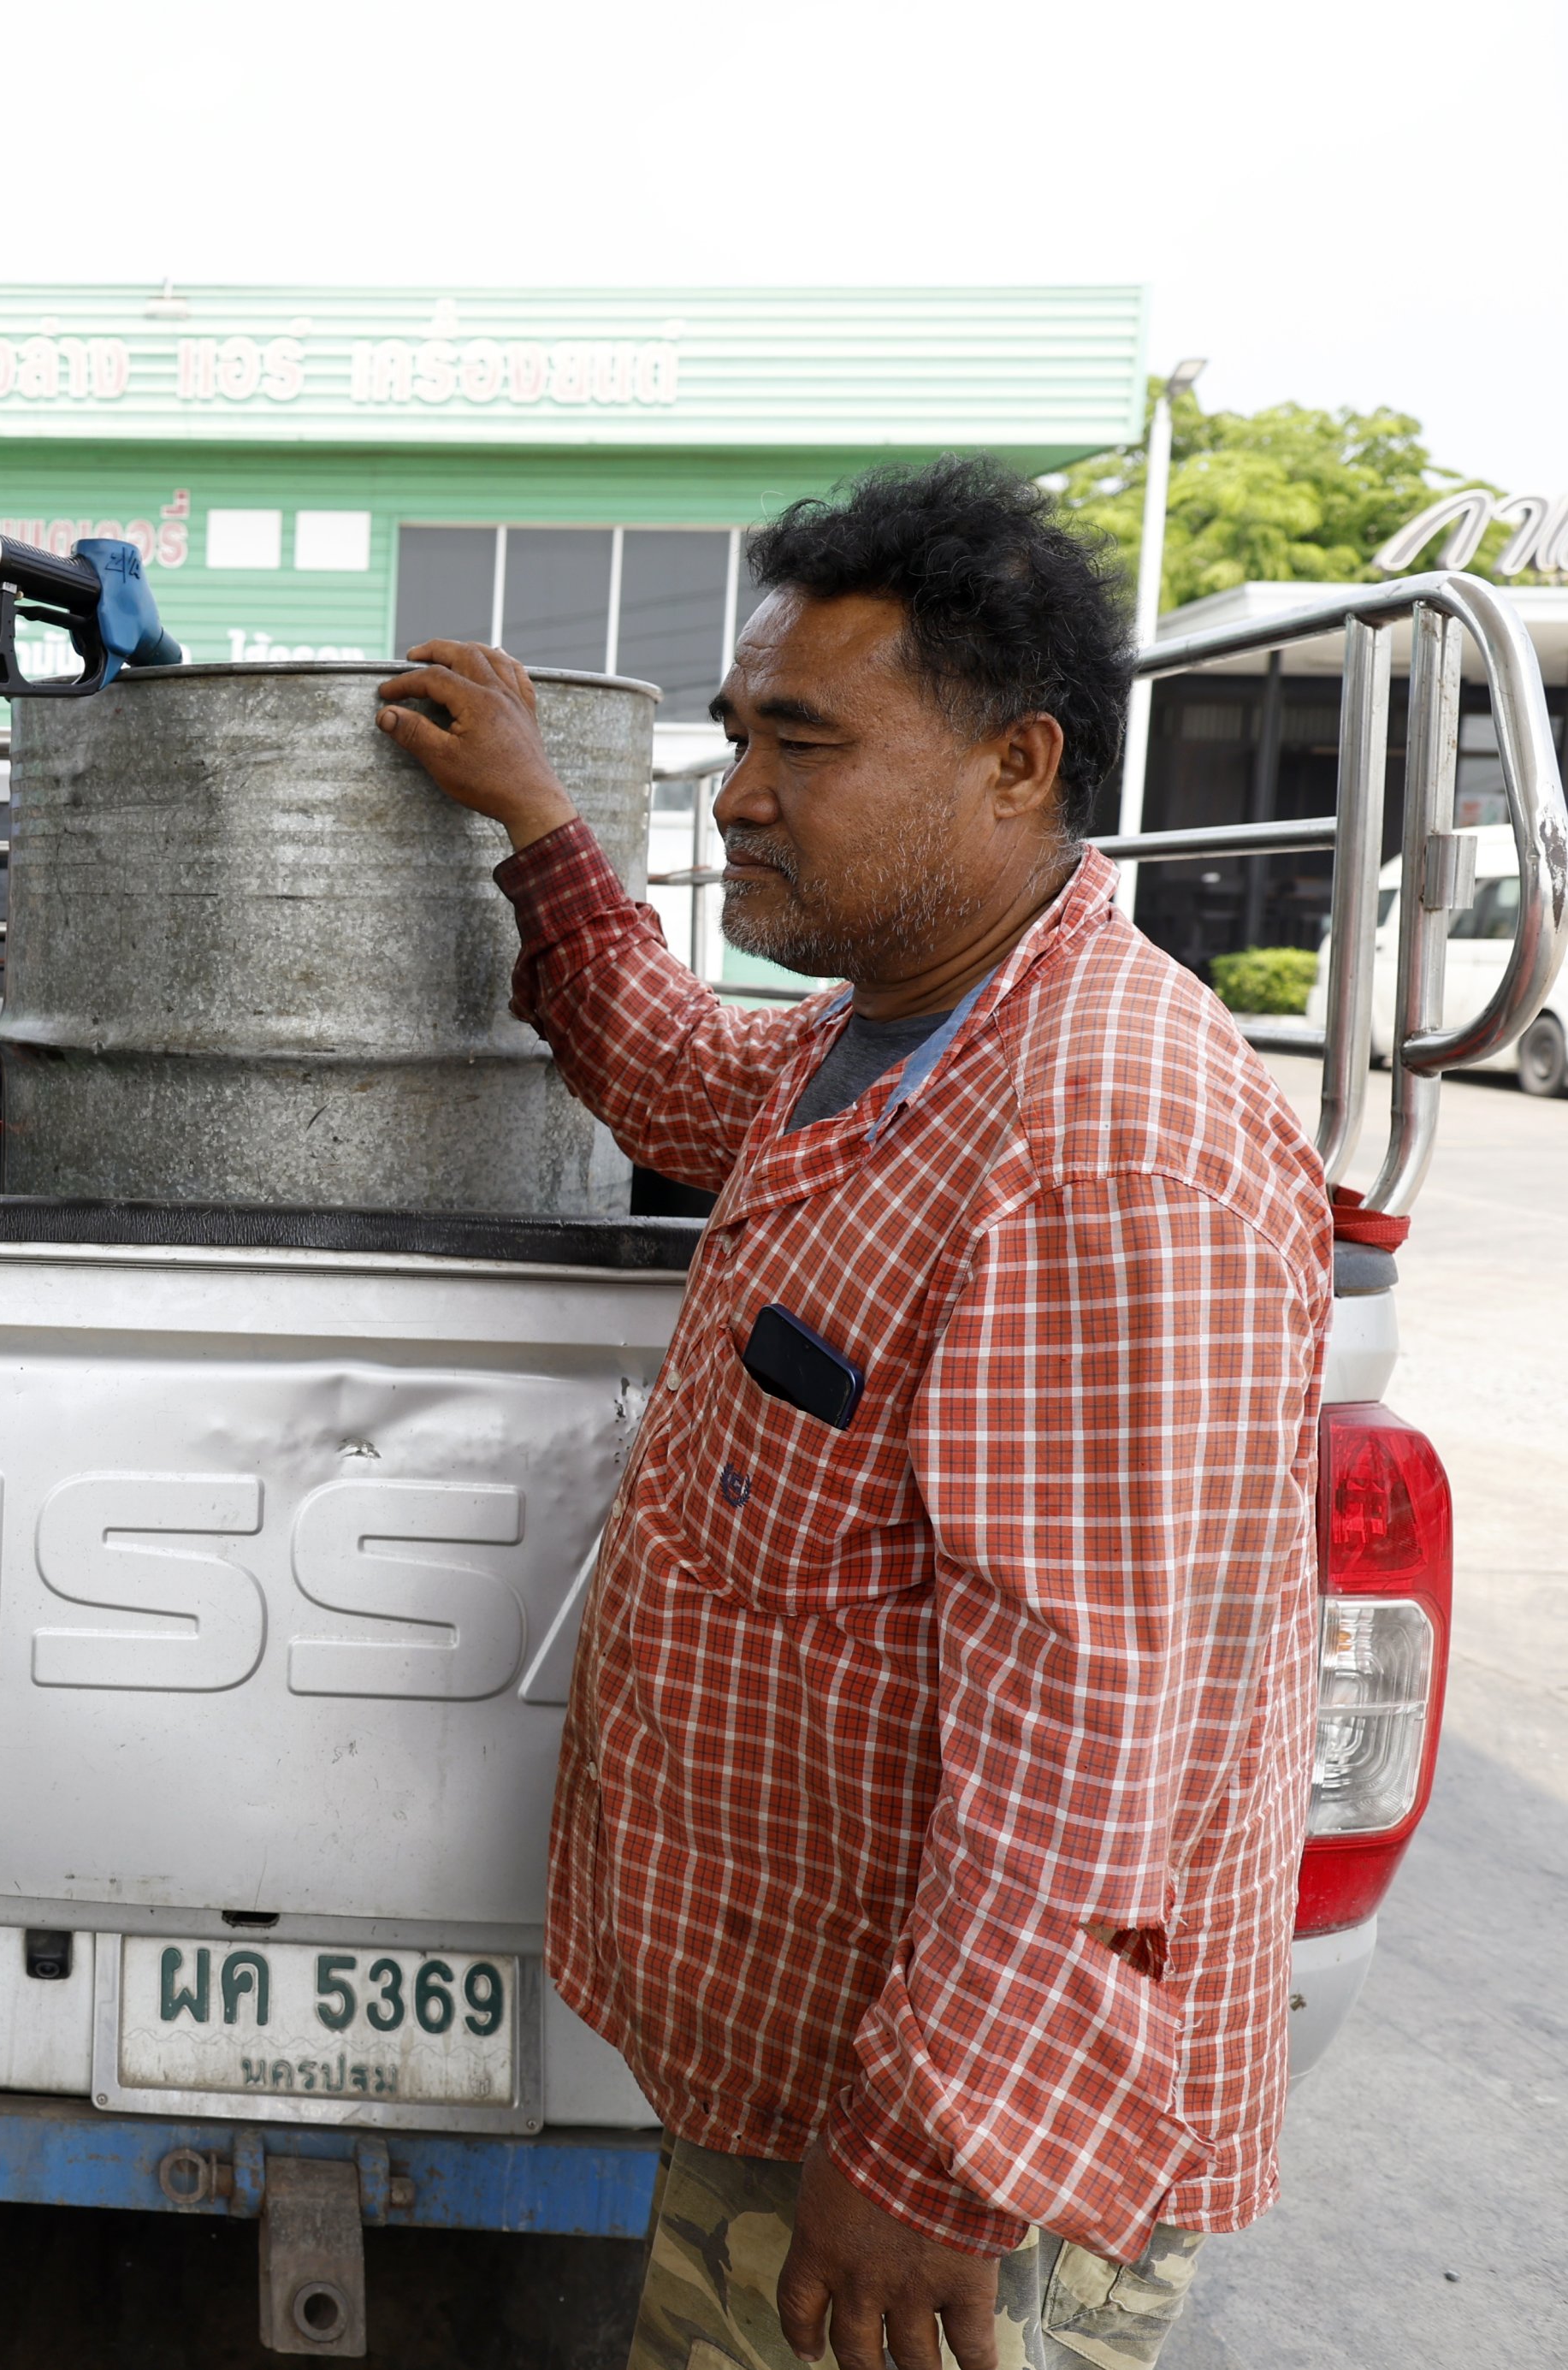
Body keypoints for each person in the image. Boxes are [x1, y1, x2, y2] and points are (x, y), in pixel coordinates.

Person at [376, 457, 1328, 2370]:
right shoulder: (886, 1021)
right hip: (819, 2053)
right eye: (734, 734)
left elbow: (1092, 1714)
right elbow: (669, 1074)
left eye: (797, 742)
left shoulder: (1095, 1140)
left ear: (1014, 765)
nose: (732, 792)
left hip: (932, 2156)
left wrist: (933, 2152)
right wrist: (539, 817)